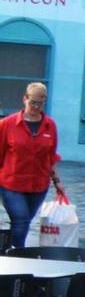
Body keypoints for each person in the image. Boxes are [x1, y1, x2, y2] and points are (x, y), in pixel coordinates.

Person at [0, 82, 64, 251]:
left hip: (38, 185)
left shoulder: (50, 125)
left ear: (45, 103)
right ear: (24, 99)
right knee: (20, 219)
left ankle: (8, 251)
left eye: (40, 103)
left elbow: (51, 156)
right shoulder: (7, 124)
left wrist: (57, 182)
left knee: (25, 221)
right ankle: (17, 254)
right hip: (11, 183)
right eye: (32, 102)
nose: (36, 107)